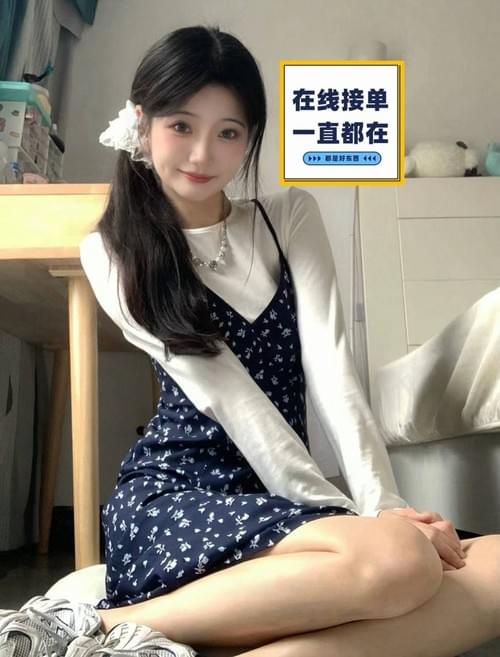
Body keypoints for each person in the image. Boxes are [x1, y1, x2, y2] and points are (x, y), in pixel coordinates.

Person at [1, 24, 499, 657]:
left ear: (250, 139)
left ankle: (141, 639)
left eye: (228, 133)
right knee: (401, 561)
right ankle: (98, 624)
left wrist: (384, 506)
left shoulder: (289, 216)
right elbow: (234, 401)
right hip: (179, 498)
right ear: (142, 124)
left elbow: (333, 373)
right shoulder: (114, 252)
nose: (202, 153)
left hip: (279, 499)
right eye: (181, 126)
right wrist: (357, 523)